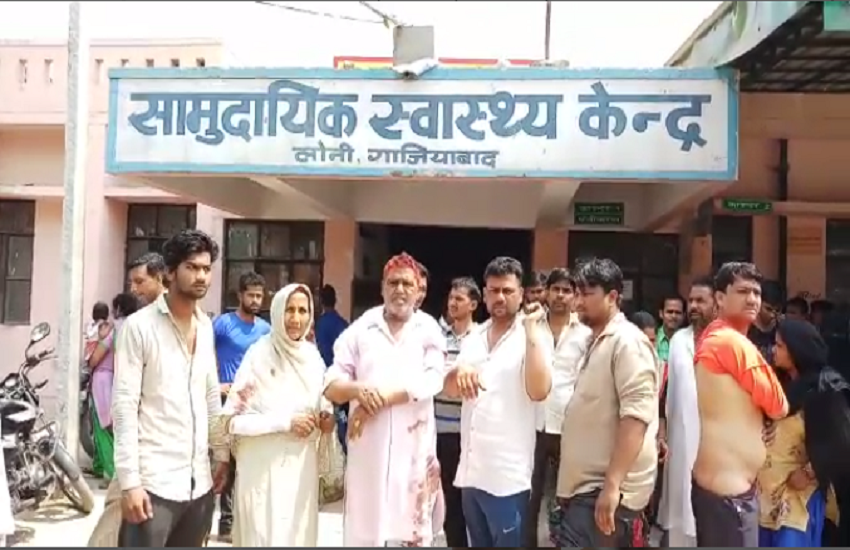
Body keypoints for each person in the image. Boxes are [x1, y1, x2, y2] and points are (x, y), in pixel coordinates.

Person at [113, 229, 229, 547]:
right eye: (192, 267)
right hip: (153, 485)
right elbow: (124, 406)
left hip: (199, 485)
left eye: (206, 269)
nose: (201, 276)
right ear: (170, 272)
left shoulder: (205, 326)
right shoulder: (140, 327)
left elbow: (210, 394)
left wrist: (221, 452)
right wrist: (130, 482)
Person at [324, 252, 446, 547]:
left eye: (407, 283)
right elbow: (331, 384)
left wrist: (379, 401)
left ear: (418, 291)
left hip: (413, 455)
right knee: (366, 534)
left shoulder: (428, 329)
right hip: (370, 455)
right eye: (393, 283)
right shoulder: (362, 329)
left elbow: (432, 380)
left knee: (412, 534)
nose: (399, 290)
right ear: (382, 288)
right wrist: (358, 391)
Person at [446, 256, 552, 548]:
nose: (500, 297)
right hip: (471, 473)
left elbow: (539, 390)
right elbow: (450, 389)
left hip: (507, 478)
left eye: (507, 290)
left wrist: (531, 331)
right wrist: (458, 372)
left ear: (521, 294)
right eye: (494, 290)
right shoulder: (474, 337)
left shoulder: (534, 336)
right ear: (484, 294)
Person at [553, 258, 659, 548]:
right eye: (577, 293)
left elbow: (636, 418)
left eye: (587, 294)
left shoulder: (628, 342)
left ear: (612, 297)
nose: (577, 302)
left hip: (605, 494)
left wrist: (612, 485)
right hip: (587, 493)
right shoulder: (597, 341)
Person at [219, 283, 335, 546]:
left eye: (303, 311)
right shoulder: (259, 355)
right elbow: (234, 422)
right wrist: (286, 423)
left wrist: (326, 421)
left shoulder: (312, 358)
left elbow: (324, 406)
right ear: (277, 311)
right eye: (289, 310)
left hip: (300, 474)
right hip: (261, 473)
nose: (295, 318)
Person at [692, 262, 788, 547]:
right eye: (743, 291)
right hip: (729, 497)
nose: (753, 299)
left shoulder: (716, 338)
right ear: (720, 298)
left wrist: (763, 420)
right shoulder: (731, 343)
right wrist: (768, 417)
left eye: (757, 293)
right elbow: (779, 405)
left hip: (723, 493)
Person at [758, 318, 847, 547]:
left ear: (797, 350)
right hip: (767, 493)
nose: (773, 350)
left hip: (799, 494)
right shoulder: (777, 383)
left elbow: (841, 442)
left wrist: (809, 472)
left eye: (780, 346)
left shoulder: (824, 387)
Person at [524, 267, 590, 549]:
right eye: (555, 289)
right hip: (532, 424)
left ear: (575, 296)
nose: (560, 295)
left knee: (570, 497)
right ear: (547, 293)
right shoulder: (529, 326)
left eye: (566, 290)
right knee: (529, 495)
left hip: (569, 428)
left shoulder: (586, 334)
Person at [657, 275, 716, 547]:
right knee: (679, 516)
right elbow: (668, 391)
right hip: (679, 443)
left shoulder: (725, 341)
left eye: (700, 301)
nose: (693, 306)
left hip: (714, 443)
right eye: (691, 300)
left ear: (716, 303)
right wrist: (662, 432)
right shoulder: (679, 340)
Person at [212, 271, 271, 541]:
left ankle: (241, 523)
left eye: (260, 296)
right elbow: (202, 352)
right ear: (240, 295)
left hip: (253, 405)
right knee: (223, 461)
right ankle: (224, 524)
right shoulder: (223, 324)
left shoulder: (265, 330)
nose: (256, 300)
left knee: (246, 462)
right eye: (251, 295)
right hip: (225, 403)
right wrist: (216, 384)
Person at [435, 277, 480, 548]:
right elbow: (430, 380)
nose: (453, 303)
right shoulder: (438, 338)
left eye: (459, 299)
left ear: (473, 304)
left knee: (469, 500)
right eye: (451, 298)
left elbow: (477, 385)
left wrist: (447, 379)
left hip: (468, 434)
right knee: (447, 499)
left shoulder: (481, 339)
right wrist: (451, 380)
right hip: (439, 432)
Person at [89, 293, 139, 484]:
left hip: (104, 379)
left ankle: (111, 473)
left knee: (103, 426)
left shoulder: (113, 328)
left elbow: (95, 357)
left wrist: (90, 361)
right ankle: (99, 465)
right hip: (126, 379)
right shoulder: (137, 325)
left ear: (118, 309)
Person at [747, 279, 783, 365]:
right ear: (758, 303)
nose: (772, 315)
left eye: (777, 310)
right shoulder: (745, 327)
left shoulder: (782, 328)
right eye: (768, 309)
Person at [656, 295, 685, 364]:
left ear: (684, 316)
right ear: (661, 314)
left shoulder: (689, 340)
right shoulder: (652, 337)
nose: (673, 316)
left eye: (678, 312)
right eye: (670, 312)